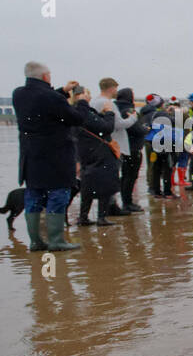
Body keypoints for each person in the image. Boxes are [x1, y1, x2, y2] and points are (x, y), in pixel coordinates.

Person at [13, 62, 105, 250]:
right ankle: (56, 240)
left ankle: (35, 242)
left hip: (30, 154)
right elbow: (76, 118)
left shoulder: (19, 94)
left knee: (34, 195)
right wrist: (83, 102)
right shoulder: (51, 98)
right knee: (58, 194)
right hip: (55, 155)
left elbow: (43, 102)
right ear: (46, 76)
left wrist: (63, 91)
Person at [92, 77, 136, 217]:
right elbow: (118, 124)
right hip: (114, 144)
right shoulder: (107, 103)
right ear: (111, 88)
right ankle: (111, 207)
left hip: (99, 143)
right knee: (113, 176)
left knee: (105, 176)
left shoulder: (93, 102)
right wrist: (133, 118)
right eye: (115, 88)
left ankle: (108, 206)